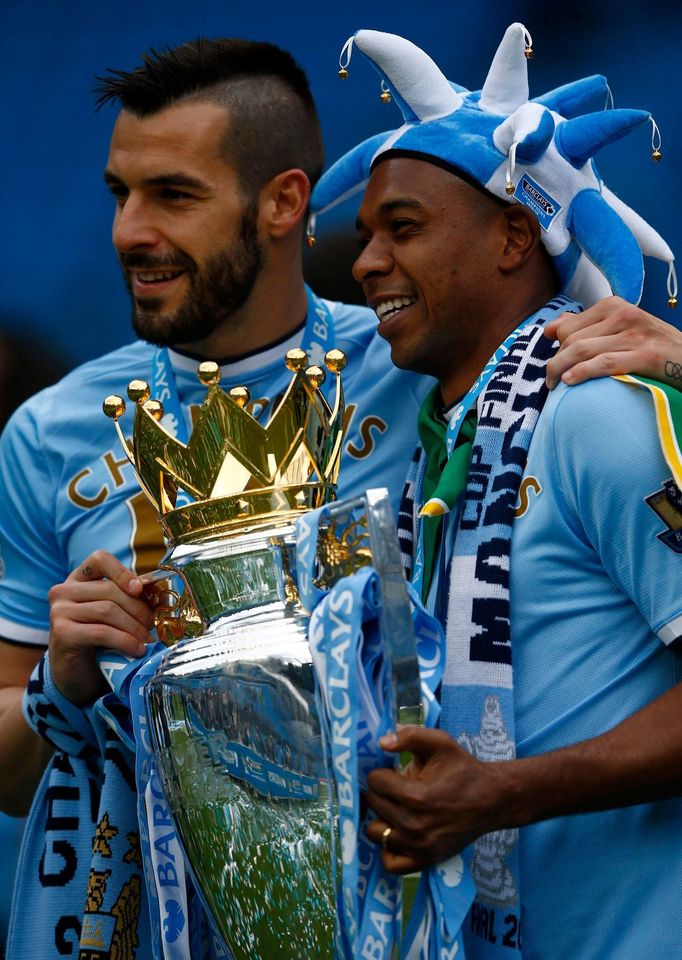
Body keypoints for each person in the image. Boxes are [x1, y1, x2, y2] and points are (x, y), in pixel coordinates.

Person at [0, 29, 680, 960]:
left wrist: (677, 359)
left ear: (283, 202)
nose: (128, 232)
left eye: (173, 195)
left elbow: (552, 338)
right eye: (119, 194)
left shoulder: (434, 363)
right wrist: (61, 684)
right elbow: (11, 758)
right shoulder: (47, 434)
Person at [311, 25, 682, 960]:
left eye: (403, 229)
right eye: (364, 237)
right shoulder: (442, 448)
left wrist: (499, 793)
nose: (365, 265)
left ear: (517, 233)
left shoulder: (595, 412)